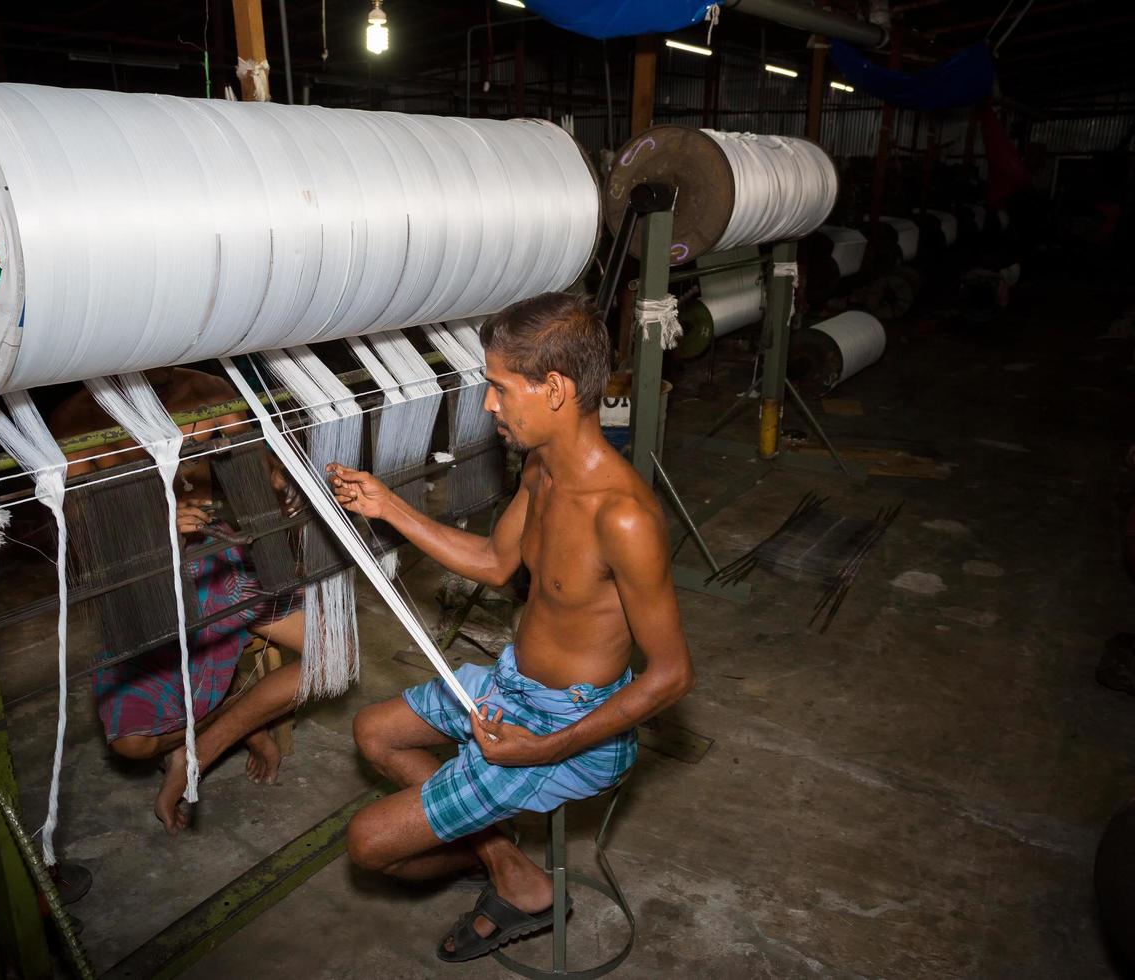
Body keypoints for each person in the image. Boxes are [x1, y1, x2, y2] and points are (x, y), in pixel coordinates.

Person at [327, 292, 694, 961]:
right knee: (373, 734)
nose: (490, 405)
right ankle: (510, 871)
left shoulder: (624, 518)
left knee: (369, 845)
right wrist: (387, 507)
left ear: (553, 389)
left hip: (569, 727)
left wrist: (545, 749)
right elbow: (498, 562)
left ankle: (496, 863)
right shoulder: (542, 467)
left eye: (499, 388)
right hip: (514, 683)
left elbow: (672, 675)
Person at [51, 366, 305, 834]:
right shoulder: (78, 422)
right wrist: (158, 532)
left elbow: (259, 467)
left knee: (332, 658)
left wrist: (283, 487)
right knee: (131, 745)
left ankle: (201, 749)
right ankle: (240, 725)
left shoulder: (208, 393)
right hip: (143, 578)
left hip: (219, 562)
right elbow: (79, 530)